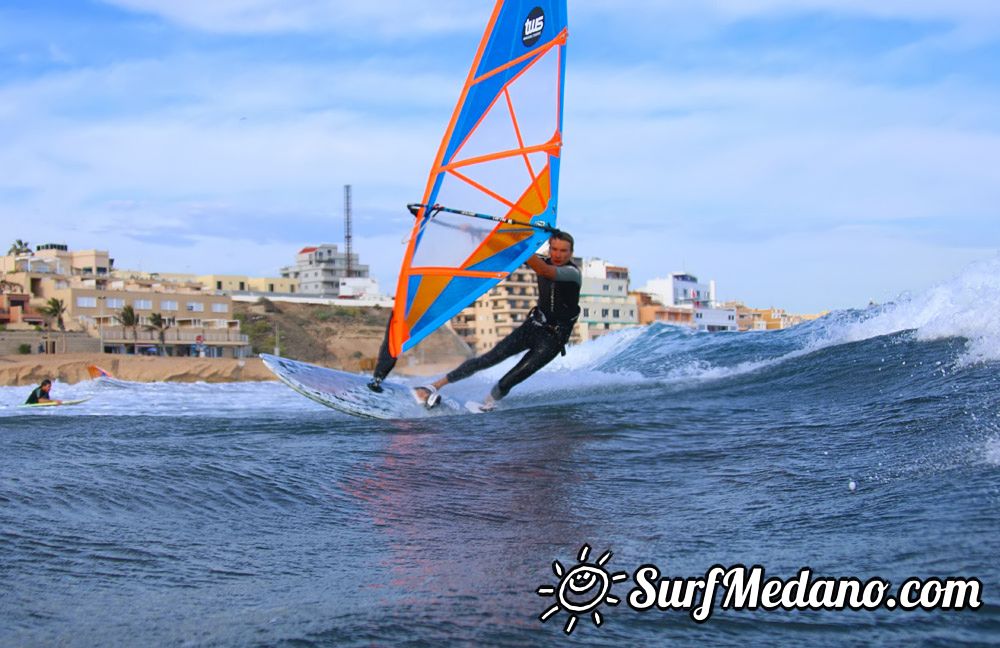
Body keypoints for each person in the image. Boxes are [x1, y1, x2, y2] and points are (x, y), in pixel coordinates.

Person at [412, 230, 580, 411]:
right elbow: (506, 250)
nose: (558, 254)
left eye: (563, 251)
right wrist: (481, 234)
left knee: (511, 378)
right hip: (533, 326)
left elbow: (543, 271)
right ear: (548, 249)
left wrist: (522, 245)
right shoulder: (543, 260)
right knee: (488, 359)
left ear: (571, 253)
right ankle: (432, 386)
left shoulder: (572, 272)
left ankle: (487, 404)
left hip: (552, 340)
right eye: (554, 249)